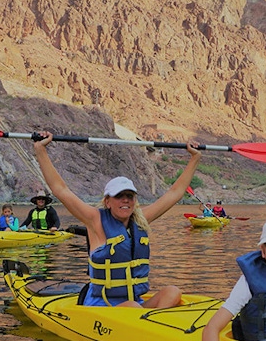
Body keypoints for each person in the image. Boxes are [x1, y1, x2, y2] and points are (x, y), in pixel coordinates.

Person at [32, 130, 201, 309]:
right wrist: (41, 150)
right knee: (134, 308)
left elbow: (174, 193)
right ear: (108, 201)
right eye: (119, 196)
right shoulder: (94, 219)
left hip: (133, 303)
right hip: (102, 305)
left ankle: (152, 327)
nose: (125, 200)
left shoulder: (139, 220)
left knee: (173, 292)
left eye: (129, 196)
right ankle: (145, 325)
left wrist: (194, 158)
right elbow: (61, 189)